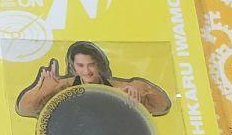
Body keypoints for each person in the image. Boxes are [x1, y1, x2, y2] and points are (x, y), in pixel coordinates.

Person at [15, 41, 171, 118]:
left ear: (99, 65)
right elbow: (25, 109)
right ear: (74, 67)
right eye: (80, 65)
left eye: (91, 65)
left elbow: (161, 107)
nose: (86, 71)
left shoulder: (118, 89)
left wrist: (142, 87)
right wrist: (42, 91)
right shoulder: (61, 88)